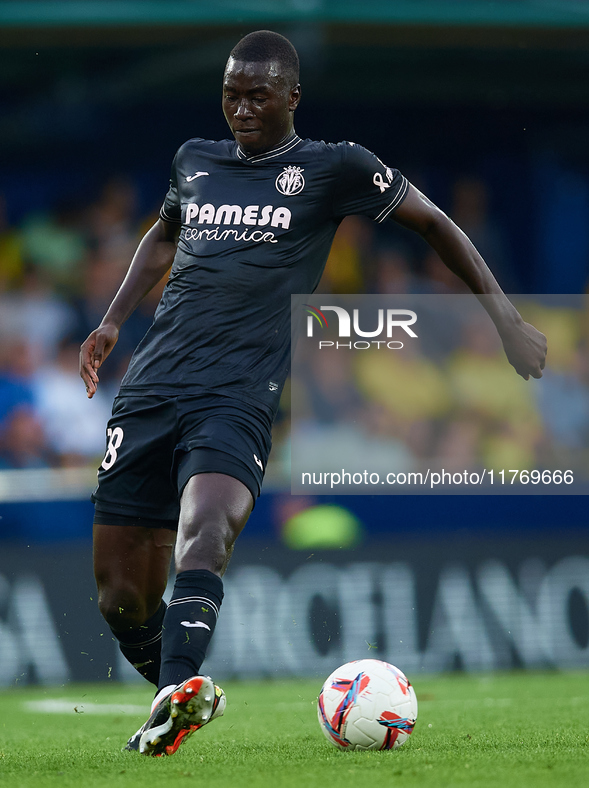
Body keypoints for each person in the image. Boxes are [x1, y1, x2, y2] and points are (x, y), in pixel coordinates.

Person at [79, 30, 547, 757]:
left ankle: (172, 696)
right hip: (150, 388)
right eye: (231, 94)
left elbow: (433, 222)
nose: (240, 108)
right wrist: (110, 322)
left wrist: (504, 315)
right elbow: (162, 236)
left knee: (205, 529)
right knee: (119, 595)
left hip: (237, 393)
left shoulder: (334, 167)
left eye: (257, 96)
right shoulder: (194, 160)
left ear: (292, 97)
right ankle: (176, 693)